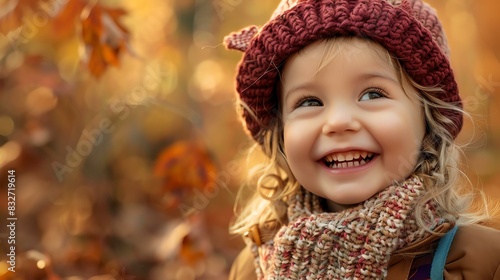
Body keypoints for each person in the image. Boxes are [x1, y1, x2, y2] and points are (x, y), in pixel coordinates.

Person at [223, 0, 500, 279]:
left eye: (372, 94)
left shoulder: (480, 262)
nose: (339, 122)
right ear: (281, 132)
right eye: (309, 101)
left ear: (428, 119)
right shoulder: (252, 268)